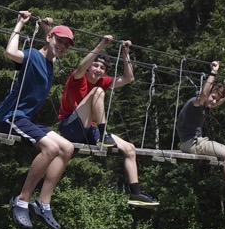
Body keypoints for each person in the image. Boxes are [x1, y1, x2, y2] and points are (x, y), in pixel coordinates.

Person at [0, 11, 75, 229]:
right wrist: (20, 23)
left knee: (67, 148)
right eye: (60, 41)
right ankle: (22, 200)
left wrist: (47, 27)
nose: (63, 47)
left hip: (25, 118)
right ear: (49, 39)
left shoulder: (50, 62)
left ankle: (44, 202)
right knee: (50, 148)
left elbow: (53, 48)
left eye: (67, 45)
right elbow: (10, 52)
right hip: (9, 116)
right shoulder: (32, 56)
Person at [56, 36, 158, 208]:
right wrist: (102, 45)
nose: (98, 69)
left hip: (89, 131)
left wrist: (125, 54)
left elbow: (128, 78)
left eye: (102, 67)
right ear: (89, 67)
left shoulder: (104, 81)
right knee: (97, 92)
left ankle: (136, 193)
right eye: (95, 65)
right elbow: (81, 65)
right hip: (70, 127)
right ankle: (103, 135)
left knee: (130, 149)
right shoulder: (78, 77)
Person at [174, 60, 225, 211]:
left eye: (216, 100)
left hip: (196, 142)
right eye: (213, 97)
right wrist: (213, 72)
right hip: (190, 143)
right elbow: (204, 93)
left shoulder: (207, 106)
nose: (213, 101)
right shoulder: (196, 102)